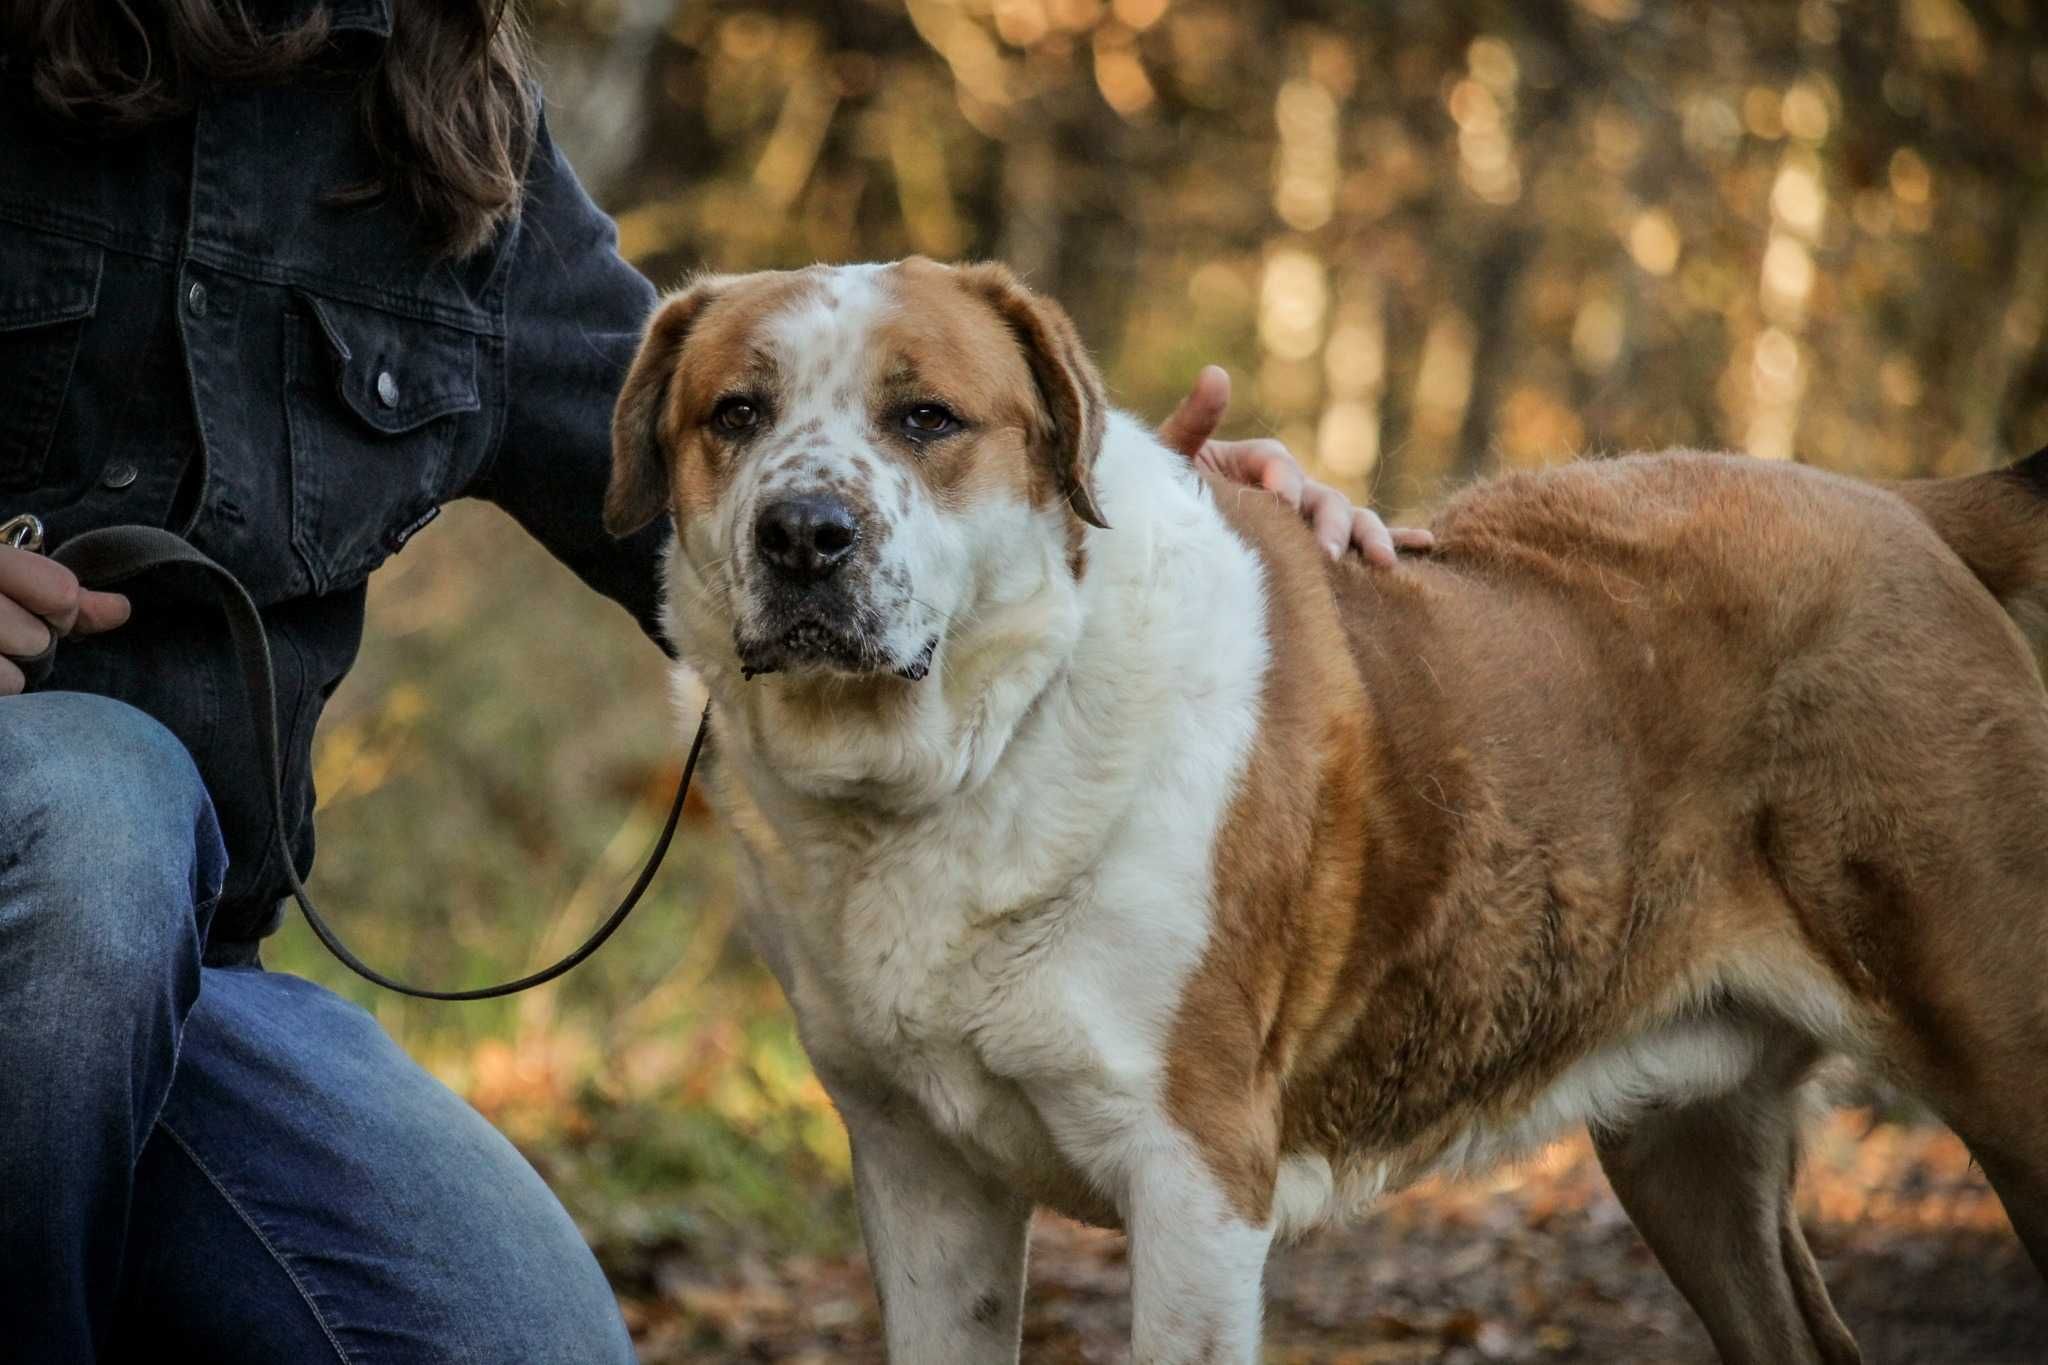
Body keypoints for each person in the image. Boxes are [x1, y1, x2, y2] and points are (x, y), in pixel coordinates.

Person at [0, 1, 1429, 1358]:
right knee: (102, 803)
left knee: (526, 1339)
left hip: (195, 989)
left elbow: (728, 485)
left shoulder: (438, 126)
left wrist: (1173, 518)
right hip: (47, 877)